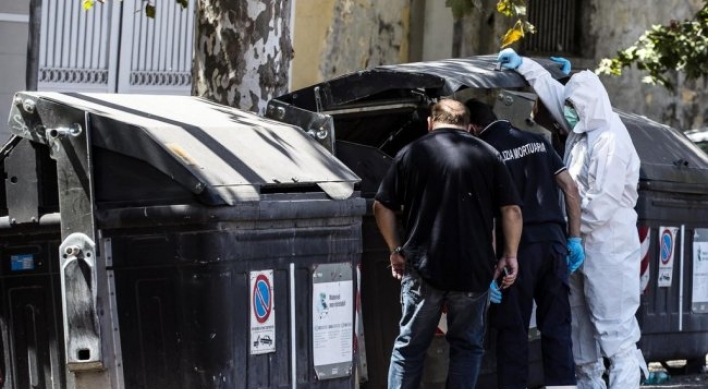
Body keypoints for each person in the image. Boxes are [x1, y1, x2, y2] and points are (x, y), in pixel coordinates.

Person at [497, 48, 648, 389]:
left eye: (574, 107)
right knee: (579, 328)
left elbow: (602, 204)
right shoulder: (585, 128)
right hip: (579, 242)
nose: (567, 113)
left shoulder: (610, 140)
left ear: (589, 105)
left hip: (608, 245)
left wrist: (572, 231)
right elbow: (555, 95)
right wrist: (529, 67)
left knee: (616, 333)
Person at [373, 98, 523, 389]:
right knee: (467, 347)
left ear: (430, 123)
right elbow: (512, 210)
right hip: (474, 271)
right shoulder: (489, 154)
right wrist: (510, 255)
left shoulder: (412, 152)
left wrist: (395, 249)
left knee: (410, 348)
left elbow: (382, 206)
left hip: (423, 266)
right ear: (469, 128)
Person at [466, 99, 583, 389]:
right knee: (557, 326)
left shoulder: (484, 152)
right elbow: (571, 187)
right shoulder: (538, 141)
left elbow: (491, 213)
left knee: (512, 329)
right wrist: (575, 237)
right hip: (555, 245)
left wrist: (492, 263)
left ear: (472, 127)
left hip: (516, 251)